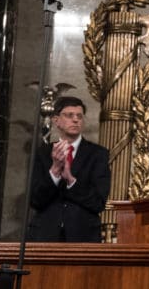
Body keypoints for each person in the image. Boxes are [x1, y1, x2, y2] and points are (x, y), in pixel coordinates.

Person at [28, 97, 111, 242]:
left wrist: (71, 180)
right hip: (45, 235)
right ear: (56, 120)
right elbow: (35, 200)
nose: (75, 120)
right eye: (69, 115)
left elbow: (98, 202)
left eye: (79, 116)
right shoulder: (42, 153)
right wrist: (54, 171)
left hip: (83, 236)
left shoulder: (98, 154)